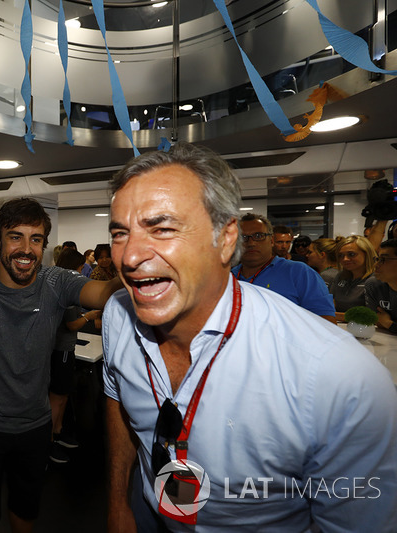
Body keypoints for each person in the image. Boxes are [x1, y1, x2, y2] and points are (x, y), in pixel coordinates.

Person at [102, 142, 397, 532]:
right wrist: (119, 501)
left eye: (163, 228)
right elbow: (118, 400)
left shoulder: (337, 376)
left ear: (225, 239)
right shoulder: (118, 316)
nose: (130, 255)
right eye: (120, 233)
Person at [0, 197, 122, 533]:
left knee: (27, 509)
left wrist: (134, 257)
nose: (26, 248)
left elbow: (106, 293)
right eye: (15, 237)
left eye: (35, 239)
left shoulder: (56, 282)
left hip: (35, 426)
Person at [48, 248, 101, 465]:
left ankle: (58, 433)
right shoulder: (65, 288)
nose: (82, 273)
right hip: (61, 350)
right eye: (80, 268)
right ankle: (50, 441)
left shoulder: (59, 284)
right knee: (57, 399)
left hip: (64, 350)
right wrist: (88, 316)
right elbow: (71, 324)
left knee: (63, 396)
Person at [232, 213, 335, 322]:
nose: (251, 243)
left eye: (258, 236)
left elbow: (327, 323)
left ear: (271, 240)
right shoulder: (228, 277)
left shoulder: (299, 273)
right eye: (243, 237)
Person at [329, 235, 379, 321]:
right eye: (340, 255)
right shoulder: (340, 276)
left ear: (367, 254)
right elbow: (330, 306)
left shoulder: (376, 280)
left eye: (351, 254)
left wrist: (335, 316)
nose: (345, 259)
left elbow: (373, 317)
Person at [367, 238, 397, 333]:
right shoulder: (373, 285)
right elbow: (377, 321)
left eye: (383, 259)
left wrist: (389, 323)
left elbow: (384, 322)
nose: (376, 265)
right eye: (377, 259)